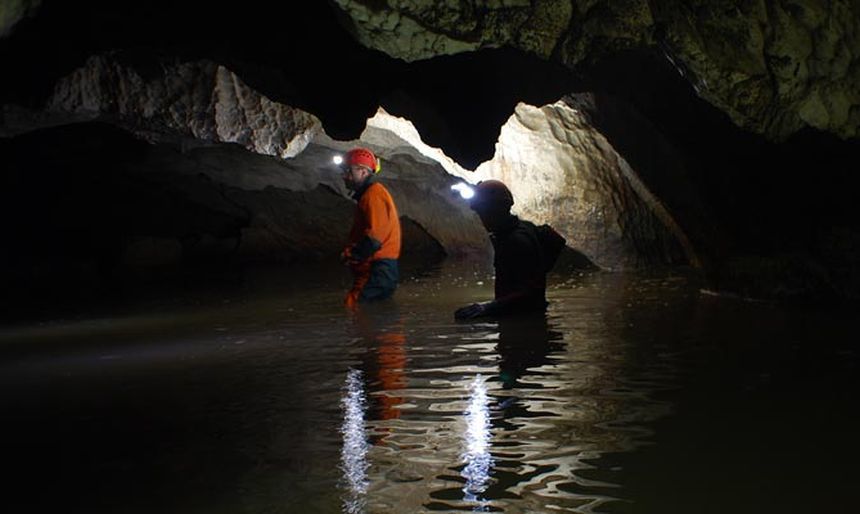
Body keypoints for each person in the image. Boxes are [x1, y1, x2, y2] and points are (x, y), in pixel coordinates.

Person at [455, 179, 548, 320]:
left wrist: (489, 307)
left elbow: (531, 293)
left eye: (483, 212)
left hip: (523, 321)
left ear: (495, 210)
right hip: (522, 315)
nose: (482, 218)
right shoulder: (524, 229)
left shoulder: (515, 240)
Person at [340, 147, 402, 307]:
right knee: (374, 314)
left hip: (377, 270)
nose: (344, 175)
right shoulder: (370, 195)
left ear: (362, 171)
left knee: (354, 307)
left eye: (348, 171)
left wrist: (352, 254)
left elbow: (375, 237)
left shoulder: (373, 194)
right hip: (379, 270)